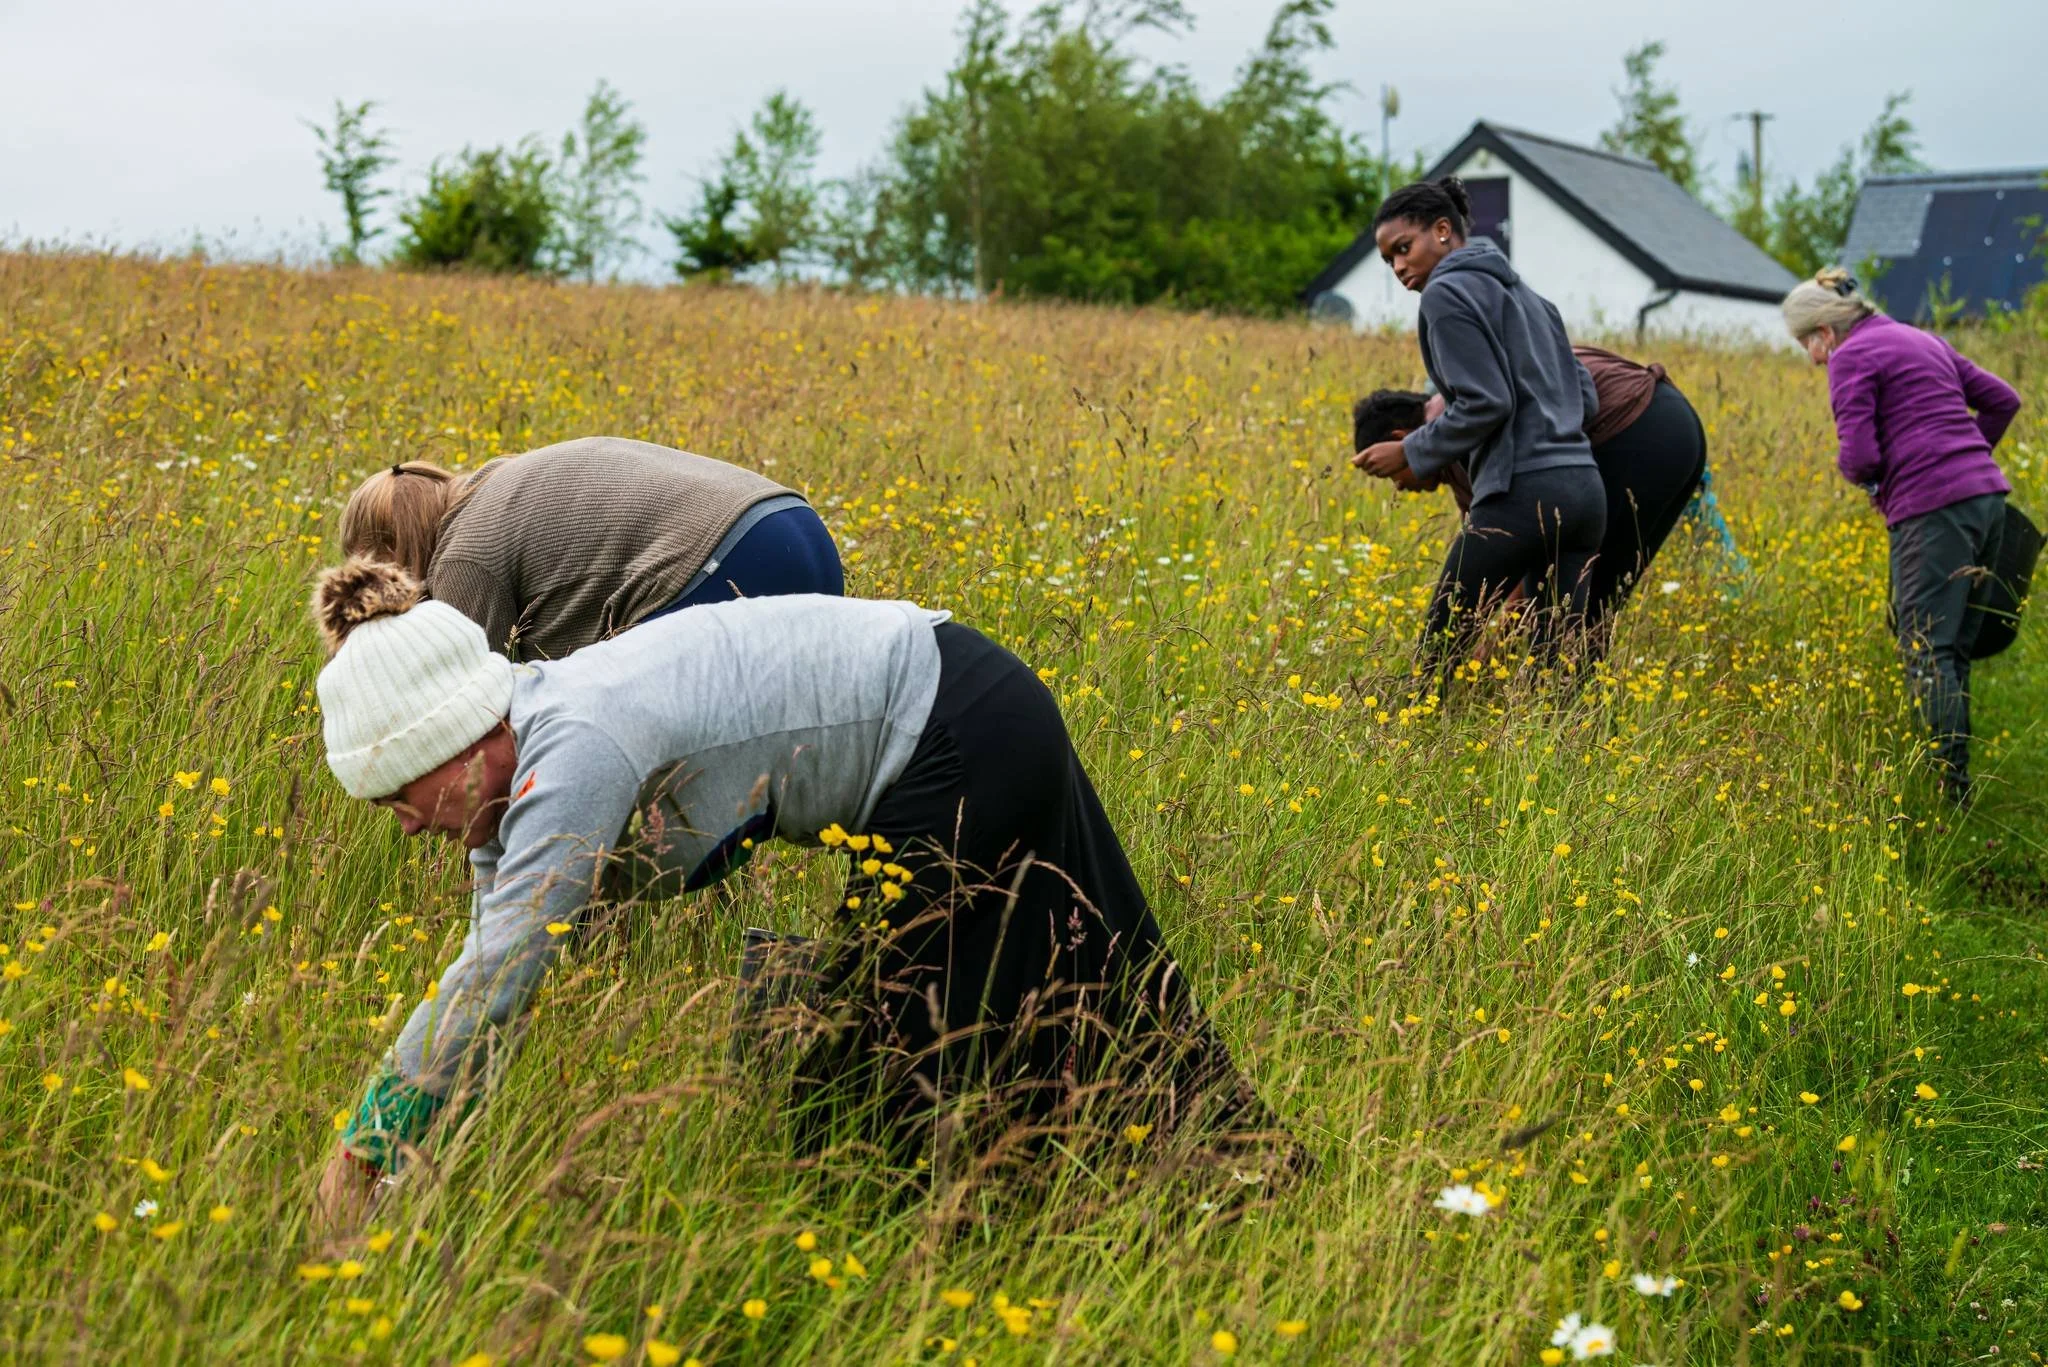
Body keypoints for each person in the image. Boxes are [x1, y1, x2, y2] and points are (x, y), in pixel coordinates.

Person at [306, 558, 1273, 1232]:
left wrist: (359, 1151)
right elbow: (488, 990)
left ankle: (978, 1233)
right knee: (1067, 965)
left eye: (399, 794)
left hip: (961, 728)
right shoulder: (516, 762)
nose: (404, 823)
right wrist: (410, 1154)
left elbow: (497, 975)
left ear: (456, 741)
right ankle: (1217, 1175)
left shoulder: (573, 748)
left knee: (880, 1058)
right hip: (963, 701)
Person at [1782, 267, 2022, 804]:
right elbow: (2004, 399)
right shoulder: (1921, 338)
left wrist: (1873, 480)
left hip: (1932, 510)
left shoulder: (1851, 356)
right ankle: (1953, 780)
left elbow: (1860, 454)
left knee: (1923, 647)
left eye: (1807, 345)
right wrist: (1969, 459)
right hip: (1988, 502)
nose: (1813, 359)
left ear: (1825, 332)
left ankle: (1948, 789)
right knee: (1953, 648)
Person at [1350, 177, 1607, 671]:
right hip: (1584, 493)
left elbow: (1486, 402)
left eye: (1404, 248)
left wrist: (1409, 451)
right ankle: (1570, 745)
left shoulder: (1445, 294)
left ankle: (1414, 744)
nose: (1399, 266)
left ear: (1443, 230)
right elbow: (1586, 397)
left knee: (1438, 651)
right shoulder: (1534, 300)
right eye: (1389, 261)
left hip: (1521, 492)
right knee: (1559, 666)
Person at [340, 436, 844, 661]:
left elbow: (481, 709)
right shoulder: (497, 477)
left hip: (727, 562)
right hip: (797, 528)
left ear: (391, 553)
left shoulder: (463, 556)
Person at [1353, 345, 1722, 648]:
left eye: (1386, 472)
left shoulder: (1462, 425)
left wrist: (1490, 647)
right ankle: (1566, 717)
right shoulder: (1458, 432)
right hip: (1679, 426)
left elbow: (1512, 557)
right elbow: (1509, 552)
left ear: (1401, 440)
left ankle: (1557, 720)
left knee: (1576, 610)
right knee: (1589, 607)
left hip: (1634, 430)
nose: (1399, 487)